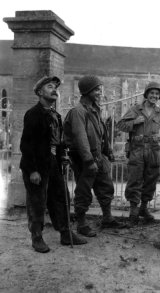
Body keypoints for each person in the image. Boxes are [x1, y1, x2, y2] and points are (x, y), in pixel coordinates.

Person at [20, 76, 87, 253]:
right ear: (40, 92)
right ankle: (37, 238)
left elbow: (58, 142)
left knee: (61, 197)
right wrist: (33, 170)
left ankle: (65, 233)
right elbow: (26, 145)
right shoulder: (33, 114)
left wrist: (62, 156)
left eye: (55, 87)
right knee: (37, 202)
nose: (54, 89)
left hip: (53, 163)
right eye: (49, 86)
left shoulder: (55, 115)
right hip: (36, 165)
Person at [63, 75, 126, 237]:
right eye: (96, 89)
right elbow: (80, 137)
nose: (100, 92)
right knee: (83, 191)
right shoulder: (78, 112)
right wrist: (89, 160)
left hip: (98, 156)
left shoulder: (94, 109)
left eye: (100, 89)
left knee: (106, 187)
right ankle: (82, 224)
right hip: (84, 158)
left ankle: (107, 218)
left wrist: (108, 151)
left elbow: (101, 133)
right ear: (87, 91)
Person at [117, 81, 160, 226]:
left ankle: (143, 208)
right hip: (137, 149)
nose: (154, 96)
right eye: (152, 93)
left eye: (157, 94)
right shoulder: (135, 109)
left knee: (150, 180)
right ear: (146, 94)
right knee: (134, 180)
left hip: (153, 150)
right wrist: (135, 122)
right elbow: (120, 125)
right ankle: (133, 212)